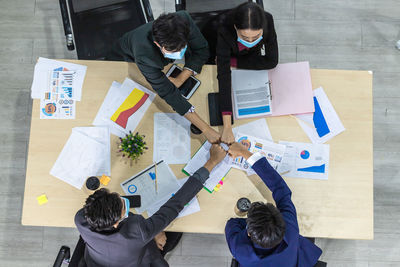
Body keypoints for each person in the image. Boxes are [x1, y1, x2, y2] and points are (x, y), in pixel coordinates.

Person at [75, 144, 227, 267]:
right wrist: (211, 162)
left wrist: (152, 232)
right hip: (137, 260)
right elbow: (175, 205)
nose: (124, 202)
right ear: (115, 223)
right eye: (124, 208)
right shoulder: (137, 230)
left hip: (97, 261)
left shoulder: (81, 218)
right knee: (176, 231)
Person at [107, 11, 220, 143]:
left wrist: (181, 78)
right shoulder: (144, 54)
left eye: (182, 47)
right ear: (157, 44)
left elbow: (202, 50)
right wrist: (205, 129)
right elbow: (168, 93)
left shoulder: (183, 21)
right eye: (173, 51)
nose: (179, 54)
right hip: (123, 60)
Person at [224, 142, 322, 267]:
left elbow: (232, 223)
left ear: (249, 232)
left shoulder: (240, 249)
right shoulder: (290, 228)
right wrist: (245, 153)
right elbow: (281, 189)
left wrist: (245, 153)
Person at [210, 2, 279, 144]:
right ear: (236, 28)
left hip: (242, 58)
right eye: (245, 37)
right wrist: (227, 127)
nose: (251, 41)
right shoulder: (224, 26)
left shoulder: (268, 20)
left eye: (256, 37)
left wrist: (234, 62)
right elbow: (223, 75)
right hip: (223, 51)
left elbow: (272, 60)